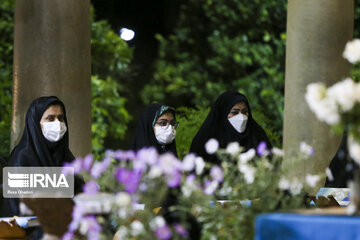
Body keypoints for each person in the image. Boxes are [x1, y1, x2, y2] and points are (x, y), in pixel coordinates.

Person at [1, 96, 79, 218]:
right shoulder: (22, 158)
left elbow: (81, 196)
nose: (57, 123)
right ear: (36, 123)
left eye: (61, 118)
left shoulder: (66, 157)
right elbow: (18, 209)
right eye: (50, 118)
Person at [190, 91, 272, 164]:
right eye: (234, 112)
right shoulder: (206, 139)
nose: (241, 116)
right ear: (223, 114)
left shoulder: (257, 135)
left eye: (244, 112)